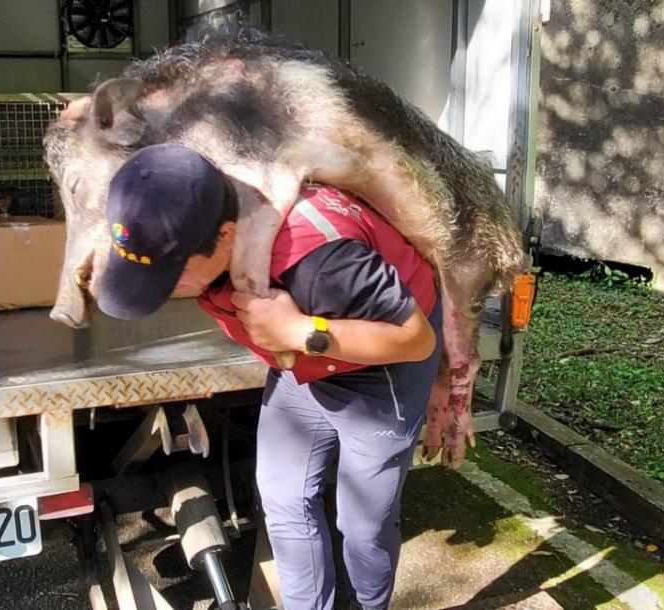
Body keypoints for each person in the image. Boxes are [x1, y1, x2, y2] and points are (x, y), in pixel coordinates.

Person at [96, 144, 443, 610]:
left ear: (224, 236)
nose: (166, 289)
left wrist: (302, 332)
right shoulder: (207, 216)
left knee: (363, 525)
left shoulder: (318, 257)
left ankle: (369, 606)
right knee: (283, 500)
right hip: (302, 364)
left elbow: (415, 339)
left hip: (380, 370)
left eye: (171, 274)